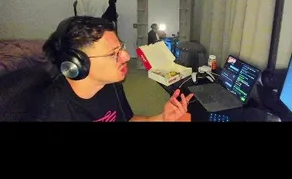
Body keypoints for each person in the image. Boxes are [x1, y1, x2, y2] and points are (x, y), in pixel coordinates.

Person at [35, 16, 192, 122]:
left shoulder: (111, 84)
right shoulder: (54, 112)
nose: (127, 57)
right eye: (113, 54)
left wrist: (162, 118)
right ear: (76, 64)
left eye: (121, 48)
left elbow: (128, 120)